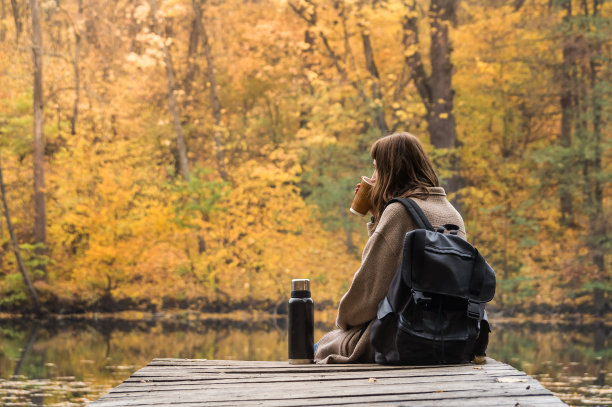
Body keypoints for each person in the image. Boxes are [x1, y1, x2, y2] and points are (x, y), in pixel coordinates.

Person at [314, 132, 466, 364]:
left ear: (390, 171)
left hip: (404, 338)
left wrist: (343, 321)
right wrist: (378, 216)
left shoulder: (398, 212)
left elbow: (366, 298)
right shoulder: (452, 213)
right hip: (452, 337)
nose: (372, 177)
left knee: (316, 346)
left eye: (376, 169)